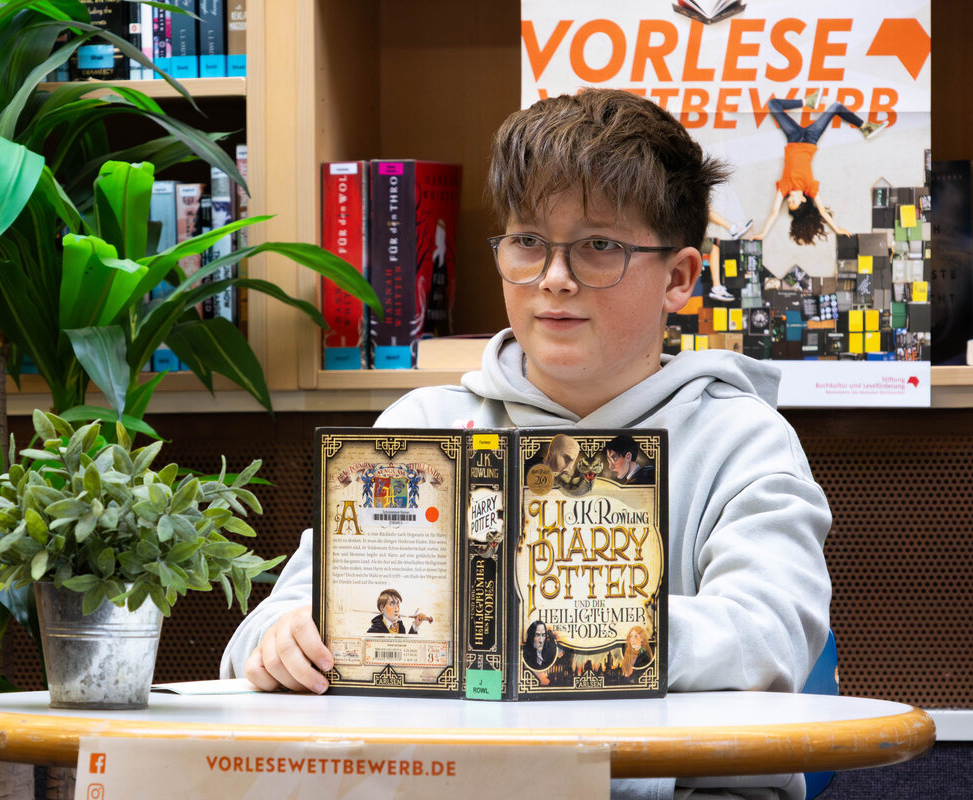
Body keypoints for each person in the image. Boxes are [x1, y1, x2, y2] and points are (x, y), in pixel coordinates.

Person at [221, 89, 832, 800]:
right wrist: (283, 642)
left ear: (679, 278)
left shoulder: (742, 440)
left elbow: (767, 636)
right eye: (529, 243)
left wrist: (538, 630)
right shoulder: (423, 427)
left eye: (599, 247)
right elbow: (269, 629)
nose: (555, 278)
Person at [754, 92, 886, 245]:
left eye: (789, 201)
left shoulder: (784, 186)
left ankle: (807, 102)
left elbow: (774, 213)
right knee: (836, 106)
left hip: (794, 137)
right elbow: (823, 211)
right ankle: (865, 127)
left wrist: (763, 233)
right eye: (794, 201)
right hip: (811, 139)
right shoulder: (810, 188)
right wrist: (837, 229)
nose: (789, 199)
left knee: (772, 104)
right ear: (803, 199)